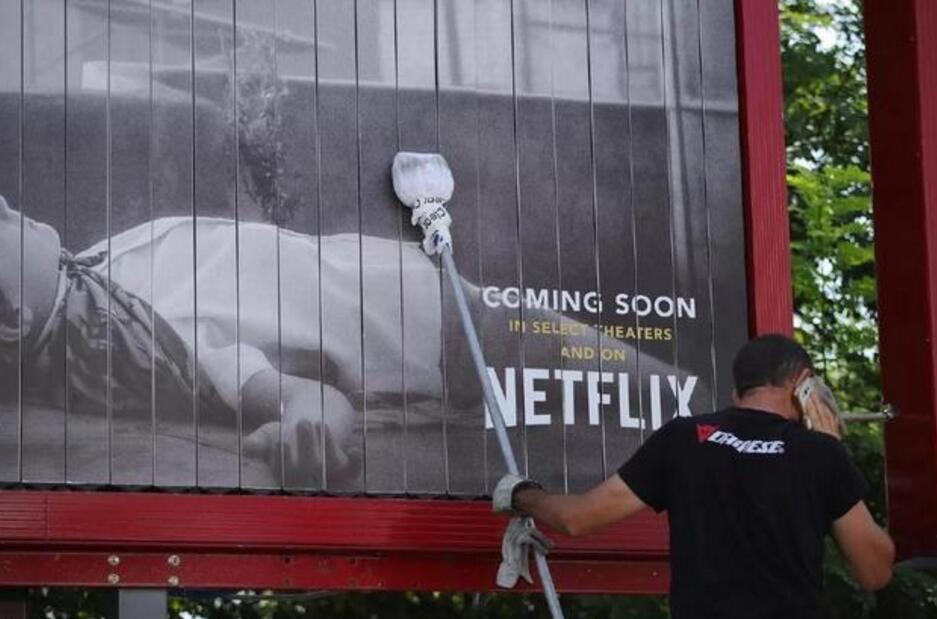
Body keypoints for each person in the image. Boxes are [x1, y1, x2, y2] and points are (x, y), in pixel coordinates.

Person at [494, 334, 895, 619]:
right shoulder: (820, 452)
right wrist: (831, 450)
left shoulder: (684, 437)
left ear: (738, 393)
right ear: (802, 382)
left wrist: (521, 495)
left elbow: (577, 518)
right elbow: (875, 571)